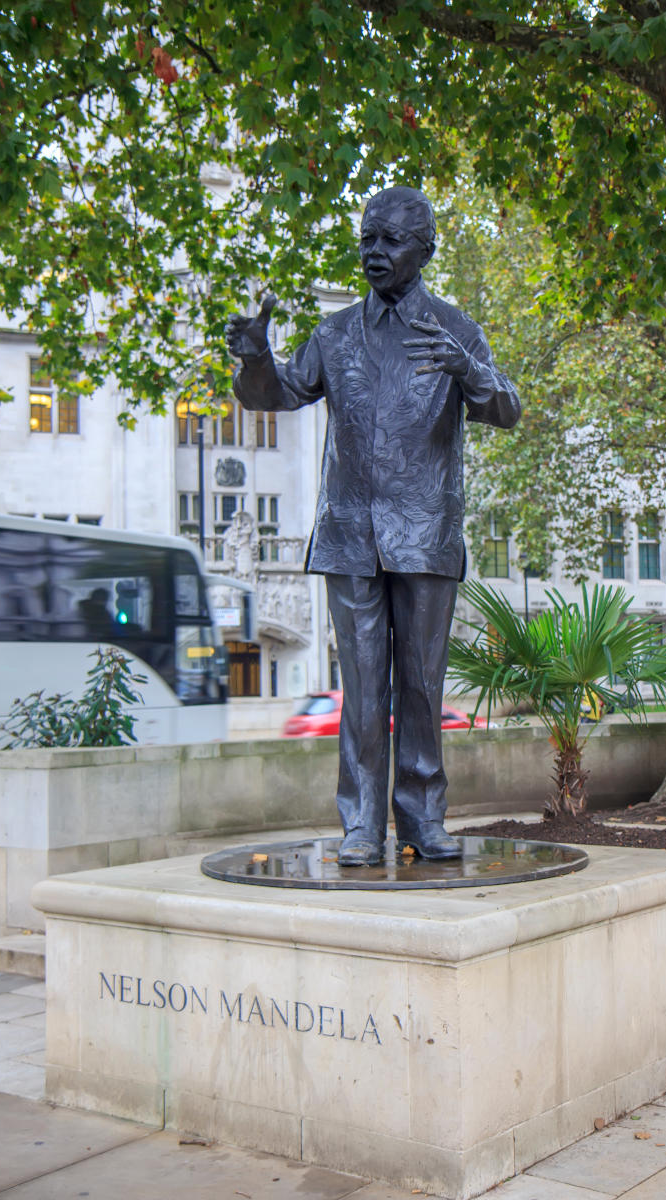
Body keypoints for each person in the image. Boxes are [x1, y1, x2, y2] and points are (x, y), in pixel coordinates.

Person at [226, 185, 520, 866]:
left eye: (389, 240)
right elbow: (278, 393)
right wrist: (253, 358)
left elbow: (506, 408)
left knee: (421, 685)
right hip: (350, 535)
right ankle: (361, 825)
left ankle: (423, 819)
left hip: (425, 537)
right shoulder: (333, 335)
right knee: (362, 690)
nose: (374, 252)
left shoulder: (455, 330)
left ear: (423, 250)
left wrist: (468, 368)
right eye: (366, 239)